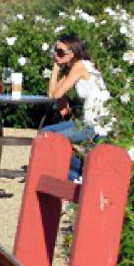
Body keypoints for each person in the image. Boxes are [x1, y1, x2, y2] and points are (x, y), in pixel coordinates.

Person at [42, 33, 110, 180]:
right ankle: (77, 173)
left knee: (53, 140)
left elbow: (56, 94)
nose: (56, 56)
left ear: (72, 53)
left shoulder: (80, 66)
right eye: (55, 51)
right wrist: (56, 67)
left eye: (60, 53)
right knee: (45, 133)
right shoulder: (75, 67)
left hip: (97, 125)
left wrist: (56, 69)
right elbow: (52, 94)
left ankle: (77, 175)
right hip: (86, 122)